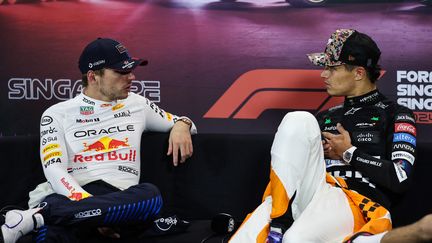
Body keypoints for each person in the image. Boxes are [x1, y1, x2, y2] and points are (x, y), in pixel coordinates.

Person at [0, 38, 197, 243]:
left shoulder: (138, 104)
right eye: (121, 72)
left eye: (130, 70)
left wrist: (183, 124)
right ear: (94, 77)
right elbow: (54, 169)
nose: (131, 77)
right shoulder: (56, 113)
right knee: (50, 235)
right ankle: (50, 216)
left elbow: (185, 123)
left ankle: (35, 217)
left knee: (151, 197)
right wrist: (92, 208)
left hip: (119, 202)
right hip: (72, 196)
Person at [230, 29, 417, 242]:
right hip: (312, 192)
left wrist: (349, 153)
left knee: (295, 239)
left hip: (357, 203)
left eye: (332, 68)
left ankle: (283, 226)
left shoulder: (396, 114)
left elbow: (400, 178)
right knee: (297, 119)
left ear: (358, 73)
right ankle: (280, 220)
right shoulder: (323, 117)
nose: (323, 74)